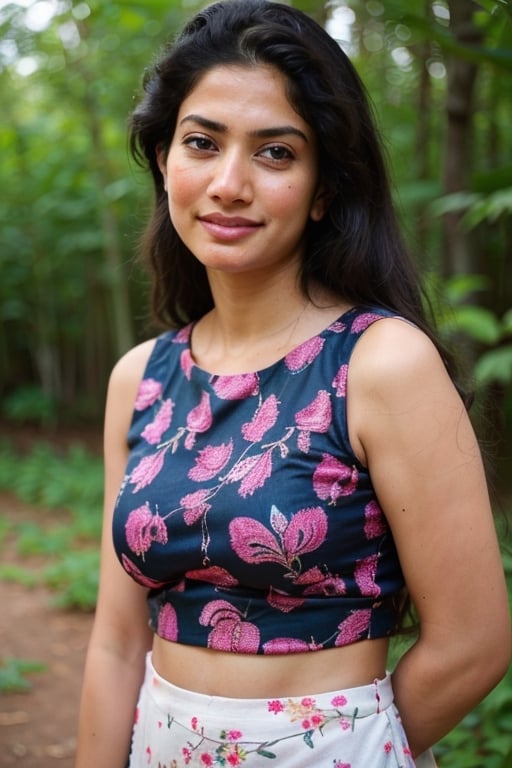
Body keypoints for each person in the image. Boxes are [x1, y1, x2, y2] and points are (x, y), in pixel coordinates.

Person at [75, 1, 511, 766]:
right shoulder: (140, 378)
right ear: (165, 161)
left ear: (323, 190)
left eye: (275, 153)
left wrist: (336, 746)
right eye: (201, 143)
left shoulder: (380, 363)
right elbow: (116, 644)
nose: (229, 183)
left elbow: (473, 645)